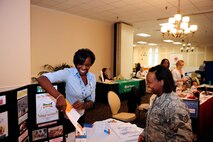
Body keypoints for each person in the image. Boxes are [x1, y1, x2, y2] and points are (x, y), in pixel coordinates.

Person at [37, 48, 96, 134]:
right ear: (76, 63)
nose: (83, 67)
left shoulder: (92, 77)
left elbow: (92, 101)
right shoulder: (68, 73)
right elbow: (42, 78)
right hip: (67, 118)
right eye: (80, 64)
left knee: (79, 137)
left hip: (81, 115)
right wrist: (59, 96)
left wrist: (84, 105)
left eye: (87, 65)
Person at [138, 65, 193, 142]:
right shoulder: (157, 97)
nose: (147, 85)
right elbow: (154, 123)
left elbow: (185, 138)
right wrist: (144, 134)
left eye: (149, 82)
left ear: (161, 82)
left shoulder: (175, 106)